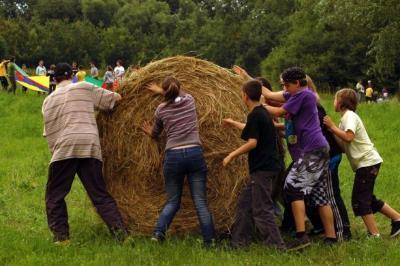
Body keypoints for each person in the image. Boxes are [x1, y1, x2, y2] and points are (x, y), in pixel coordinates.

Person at [42, 63, 129, 245]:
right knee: (99, 194)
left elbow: (49, 134)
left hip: (63, 149)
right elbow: (115, 99)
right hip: (89, 145)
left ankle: (62, 239)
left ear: (54, 78)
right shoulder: (83, 87)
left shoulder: (48, 101)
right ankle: (122, 235)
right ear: (72, 75)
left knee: (55, 195)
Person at [263, 67, 337, 250]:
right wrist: (246, 78)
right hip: (318, 150)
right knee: (320, 195)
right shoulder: (298, 94)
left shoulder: (304, 95)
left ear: (297, 83)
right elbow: (270, 93)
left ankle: (301, 236)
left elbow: (280, 112)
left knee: (292, 187)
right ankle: (331, 237)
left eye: (287, 85)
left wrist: (260, 105)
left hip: (313, 151)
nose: (285, 89)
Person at [141, 76, 215, 247]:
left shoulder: (160, 110)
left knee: (173, 201)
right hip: (194, 153)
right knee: (200, 201)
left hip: (173, 156)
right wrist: (163, 90)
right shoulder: (189, 100)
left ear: (165, 91)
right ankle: (209, 241)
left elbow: (155, 134)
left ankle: (158, 234)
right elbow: (177, 93)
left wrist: (148, 131)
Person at [323, 88, 400, 239]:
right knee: (367, 197)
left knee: (360, 199)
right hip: (367, 163)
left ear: (341, 102)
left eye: (335, 99)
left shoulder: (349, 116)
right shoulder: (344, 118)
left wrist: (332, 127)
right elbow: (345, 146)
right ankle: (397, 219)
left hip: (367, 163)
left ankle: (374, 234)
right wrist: (332, 132)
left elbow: (349, 137)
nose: (333, 102)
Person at [222, 80, 285, 250]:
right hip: (268, 167)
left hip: (263, 168)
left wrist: (231, 155)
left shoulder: (256, 114)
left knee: (261, 209)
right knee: (245, 203)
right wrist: (234, 123)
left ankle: (277, 246)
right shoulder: (262, 112)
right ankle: (239, 243)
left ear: (245, 96)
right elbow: (252, 129)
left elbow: (252, 142)